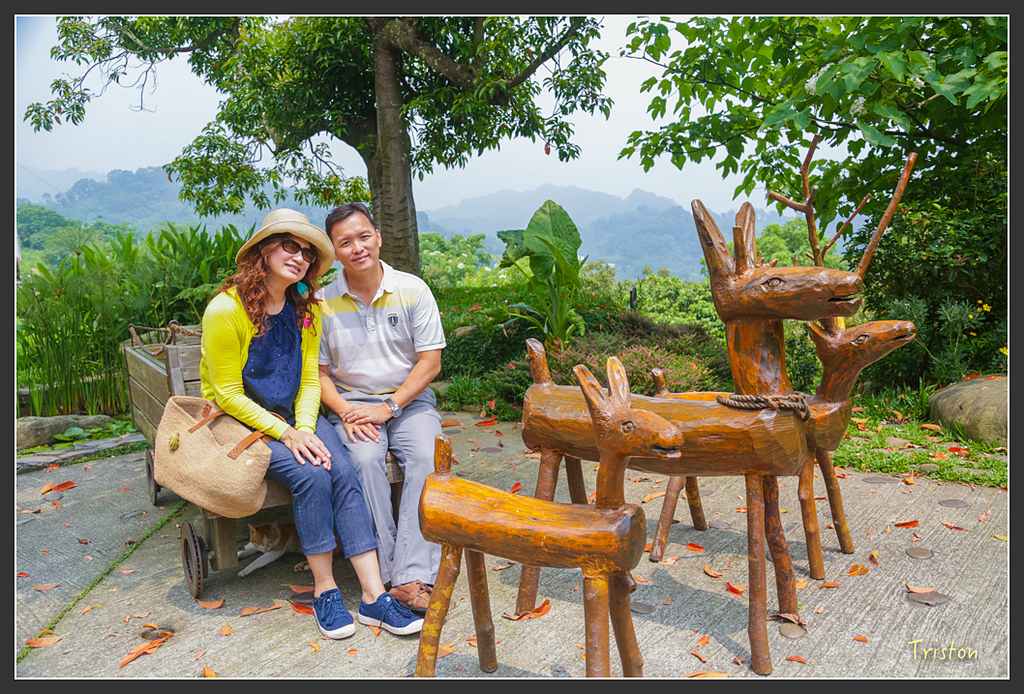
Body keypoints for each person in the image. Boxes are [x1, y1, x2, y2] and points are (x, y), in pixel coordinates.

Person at [199, 208, 423, 639]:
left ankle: (375, 597)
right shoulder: (226, 310)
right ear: (262, 251)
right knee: (312, 476)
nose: (299, 257)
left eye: (306, 252)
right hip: (244, 422)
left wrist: (303, 426)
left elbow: (308, 378)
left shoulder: (306, 307)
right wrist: (288, 434)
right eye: (288, 245)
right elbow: (226, 394)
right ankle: (325, 590)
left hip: (295, 417)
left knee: (342, 470)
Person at [317, 202, 444, 614]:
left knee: (426, 456)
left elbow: (430, 363)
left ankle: (413, 574)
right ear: (335, 252)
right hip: (351, 404)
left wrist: (389, 407)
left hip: (407, 401)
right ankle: (389, 576)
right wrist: (347, 411)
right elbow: (317, 374)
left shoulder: (412, 289)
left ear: (379, 237)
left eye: (363, 236)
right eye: (345, 242)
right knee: (366, 462)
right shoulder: (321, 301)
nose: (357, 247)